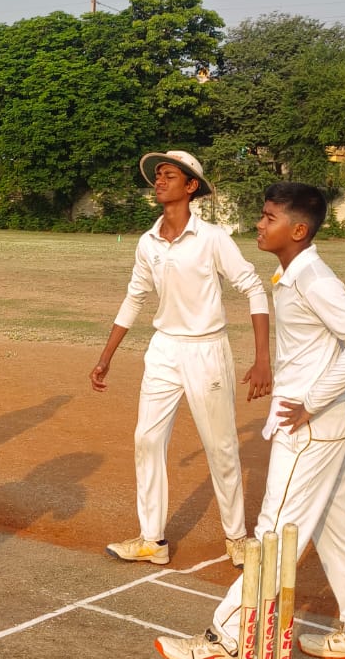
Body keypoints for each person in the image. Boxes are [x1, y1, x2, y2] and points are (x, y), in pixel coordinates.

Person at [154, 182, 345, 659]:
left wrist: (313, 399)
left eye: (268, 217)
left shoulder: (313, 278)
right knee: (335, 524)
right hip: (319, 422)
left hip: (310, 424)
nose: (259, 224)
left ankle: (230, 642)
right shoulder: (293, 273)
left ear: (298, 230)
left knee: (274, 533)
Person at [91, 150, 272, 567]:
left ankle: (237, 539)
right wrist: (106, 357)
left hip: (207, 350)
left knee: (221, 447)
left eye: (168, 176)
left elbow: (254, 287)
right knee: (146, 439)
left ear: (191, 187)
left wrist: (263, 359)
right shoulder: (147, 241)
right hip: (164, 350)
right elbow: (134, 297)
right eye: (157, 175)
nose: (159, 181)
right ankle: (152, 540)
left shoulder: (212, 238)